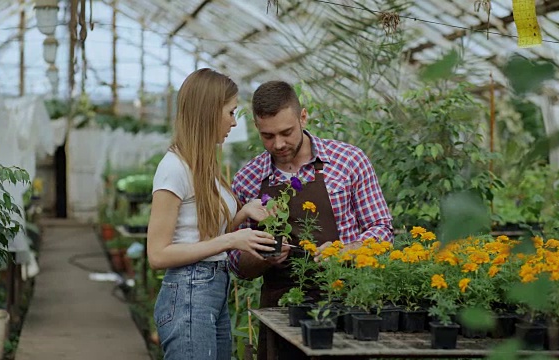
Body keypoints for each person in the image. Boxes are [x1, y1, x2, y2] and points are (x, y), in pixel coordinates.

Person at [228, 80, 394, 359]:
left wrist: (346, 250)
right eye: (267, 136)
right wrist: (263, 257)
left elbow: (383, 229)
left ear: (303, 117)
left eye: (286, 132)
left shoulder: (349, 161)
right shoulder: (249, 178)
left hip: (345, 305)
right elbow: (237, 264)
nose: (278, 144)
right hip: (280, 312)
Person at [147, 68, 277, 360]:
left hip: (210, 289)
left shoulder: (203, 167)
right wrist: (232, 241)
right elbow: (158, 254)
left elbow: (200, 236)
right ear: (208, 112)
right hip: (190, 291)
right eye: (230, 112)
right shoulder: (174, 168)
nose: (234, 121)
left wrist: (242, 214)